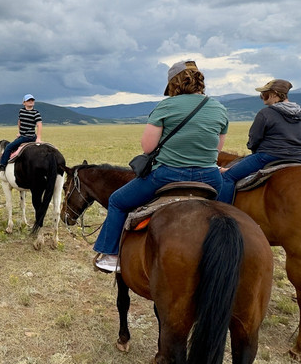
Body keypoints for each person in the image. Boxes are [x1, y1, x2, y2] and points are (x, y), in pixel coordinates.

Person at [92, 60, 229, 273]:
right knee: (227, 214)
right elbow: (217, 150)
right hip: (209, 177)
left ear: (174, 83)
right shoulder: (219, 108)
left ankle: (110, 254)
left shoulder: (165, 106)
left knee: (117, 201)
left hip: (167, 175)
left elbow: (148, 147)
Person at [217, 79, 301, 203]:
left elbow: (254, 139)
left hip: (268, 157)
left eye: (264, 94)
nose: (262, 97)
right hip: (298, 158)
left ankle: (224, 216)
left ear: (274, 94)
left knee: (227, 177)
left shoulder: (265, 114)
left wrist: (257, 150)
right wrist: (293, 149)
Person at [0, 93, 42, 174]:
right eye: (28, 100)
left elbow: (39, 125)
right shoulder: (21, 111)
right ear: (24, 103)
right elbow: (19, 121)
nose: (31, 101)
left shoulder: (36, 113)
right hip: (23, 135)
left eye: (32, 100)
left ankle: (2, 164)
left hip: (28, 137)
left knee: (9, 147)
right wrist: (19, 132)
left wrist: (38, 138)